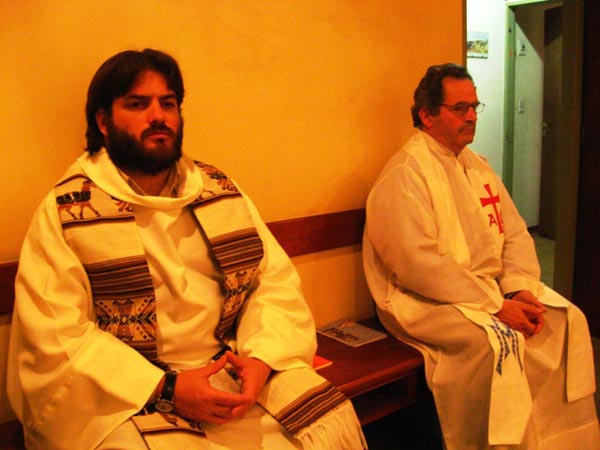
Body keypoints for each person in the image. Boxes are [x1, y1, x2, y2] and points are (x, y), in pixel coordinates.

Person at [7, 48, 366, 450]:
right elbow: (57, 333)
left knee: (328, 423)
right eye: (137, 104)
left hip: (229, 365)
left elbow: (269, 283)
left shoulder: (216, 189)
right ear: (104, 122)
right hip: (131, 392)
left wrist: (261, 359)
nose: (157, 116)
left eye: (168, 103)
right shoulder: (69, 208)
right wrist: (167, 388)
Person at [362, 63, 600, 450]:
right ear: (427, 115)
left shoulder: (478, 166)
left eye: (474, 106)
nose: (471, 116)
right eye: (460, 108)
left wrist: (519, 289)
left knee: (563, 320)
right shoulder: (405, 174)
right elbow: (417, 266)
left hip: (484, 291)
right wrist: (496, 306)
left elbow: (515, 234)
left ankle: (551, 441)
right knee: (496, 344)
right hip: (422, 301)